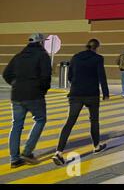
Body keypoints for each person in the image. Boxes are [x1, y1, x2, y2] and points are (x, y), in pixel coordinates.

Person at [52, 39, 109, 166]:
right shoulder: (98, 58)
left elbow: (70, 75)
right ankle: (96, 146)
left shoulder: (76, 57)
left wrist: (76, 85)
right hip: (92, 94)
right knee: (94, 120)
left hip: (76, 94)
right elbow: (101, 76)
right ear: (97, 47)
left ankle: (59, 152)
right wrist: (105, 92)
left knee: (70, 122)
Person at [2, 33, 51, 168]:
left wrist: (16, 84)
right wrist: (42, 90)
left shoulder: (18, 56)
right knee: (40, 119)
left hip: (17, 95)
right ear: (40, 43)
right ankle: (27, 152)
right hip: (34, 95)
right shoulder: (42, 56)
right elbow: (46, 77)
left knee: (16, 125)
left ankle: (14, 159)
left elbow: (6, 74)